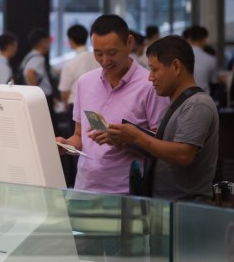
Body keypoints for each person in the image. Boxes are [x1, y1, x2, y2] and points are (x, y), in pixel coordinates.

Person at [97, 35, 218, 202]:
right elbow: (162, 147)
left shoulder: (197, 104)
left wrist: (137, 136)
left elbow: (184, 154)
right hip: (167, 205)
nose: (150, 77)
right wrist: (126, 140)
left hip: (187, 207)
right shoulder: (175, 103)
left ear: (176, 66)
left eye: (154, 70)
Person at [57, 14, 168, 194]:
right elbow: (79, 136)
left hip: (126, 194)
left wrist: (126, 139)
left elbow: (161, 146)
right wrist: (65, 145)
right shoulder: (85, 82)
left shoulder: (150, 85)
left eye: (112, 53)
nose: (105, 61)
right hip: (84, 189)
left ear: (129, 42)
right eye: (98, 53)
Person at [57, 24, 99, 110]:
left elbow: (65, 92)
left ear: (71, 41)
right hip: (97, 105)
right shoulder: (99, 60)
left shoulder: (70, 64)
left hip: (75, 106)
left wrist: (65, 107)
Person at [21, 29, 53, 100]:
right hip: (42, 97)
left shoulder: (29, 56)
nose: (49, 45)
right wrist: (36, 95)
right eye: (48, 42)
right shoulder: (38, 58)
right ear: (43, 42)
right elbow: (30, 73)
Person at [187, 25, 217, 92]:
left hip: (184, 96)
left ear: (190, 39)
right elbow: (214, 82)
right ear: (204, 39)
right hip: (204, 95)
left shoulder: (181, 55)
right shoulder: (211, 59)